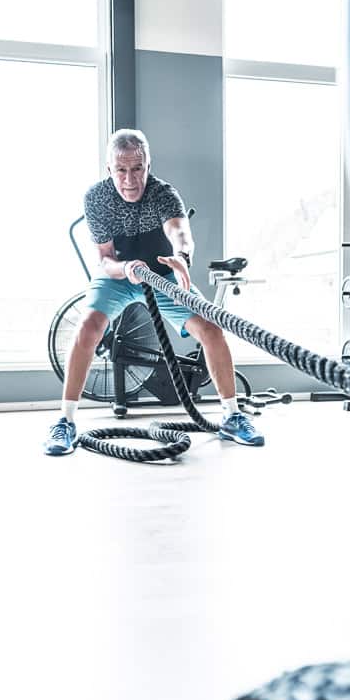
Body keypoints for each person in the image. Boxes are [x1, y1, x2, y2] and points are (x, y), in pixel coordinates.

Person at [44, 128, 265, 455]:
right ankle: (65, 421)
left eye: (138, 169)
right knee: (88, 327)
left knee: (211, 329)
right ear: (109, 169)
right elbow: (105, 259)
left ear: (148, 165)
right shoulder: (97, 198)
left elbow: (180, 232)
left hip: (163, 274)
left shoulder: (163, 193)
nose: (130, 179)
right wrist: (126, 269)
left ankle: (232, 416)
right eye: (121, 170)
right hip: (118, 275)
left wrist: (182, 258)